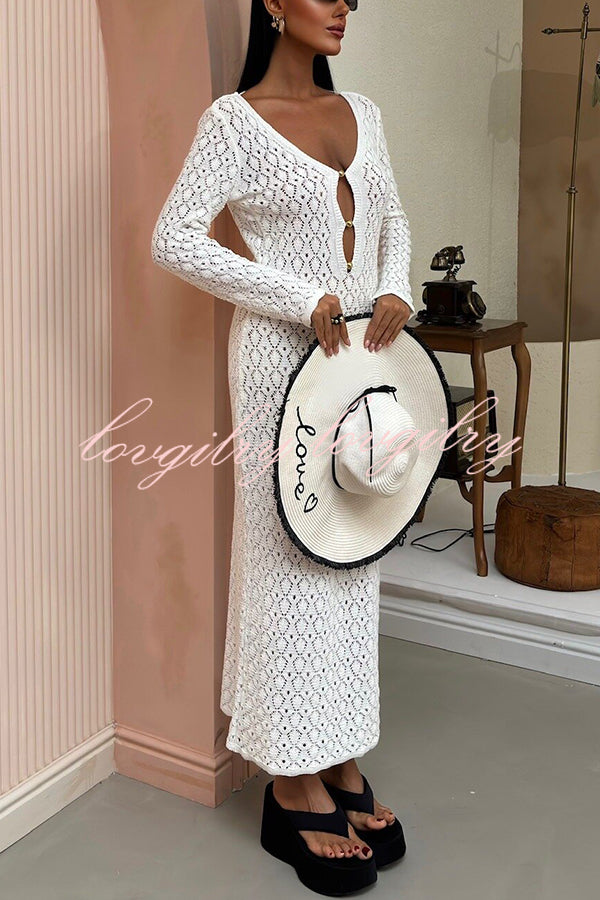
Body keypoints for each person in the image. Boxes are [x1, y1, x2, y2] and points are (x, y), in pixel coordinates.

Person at [151, 0, 414, 886]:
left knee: (353, 547)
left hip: (361, 362)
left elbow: (394, 220)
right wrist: (297, 297)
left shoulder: (362, 112)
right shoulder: (234, 123)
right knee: (287, 556)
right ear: (271, 2)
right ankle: (290, 777)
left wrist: (394, 288)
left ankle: (339, 753)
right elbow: (174, 238)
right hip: (278, 368)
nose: (343, 6)